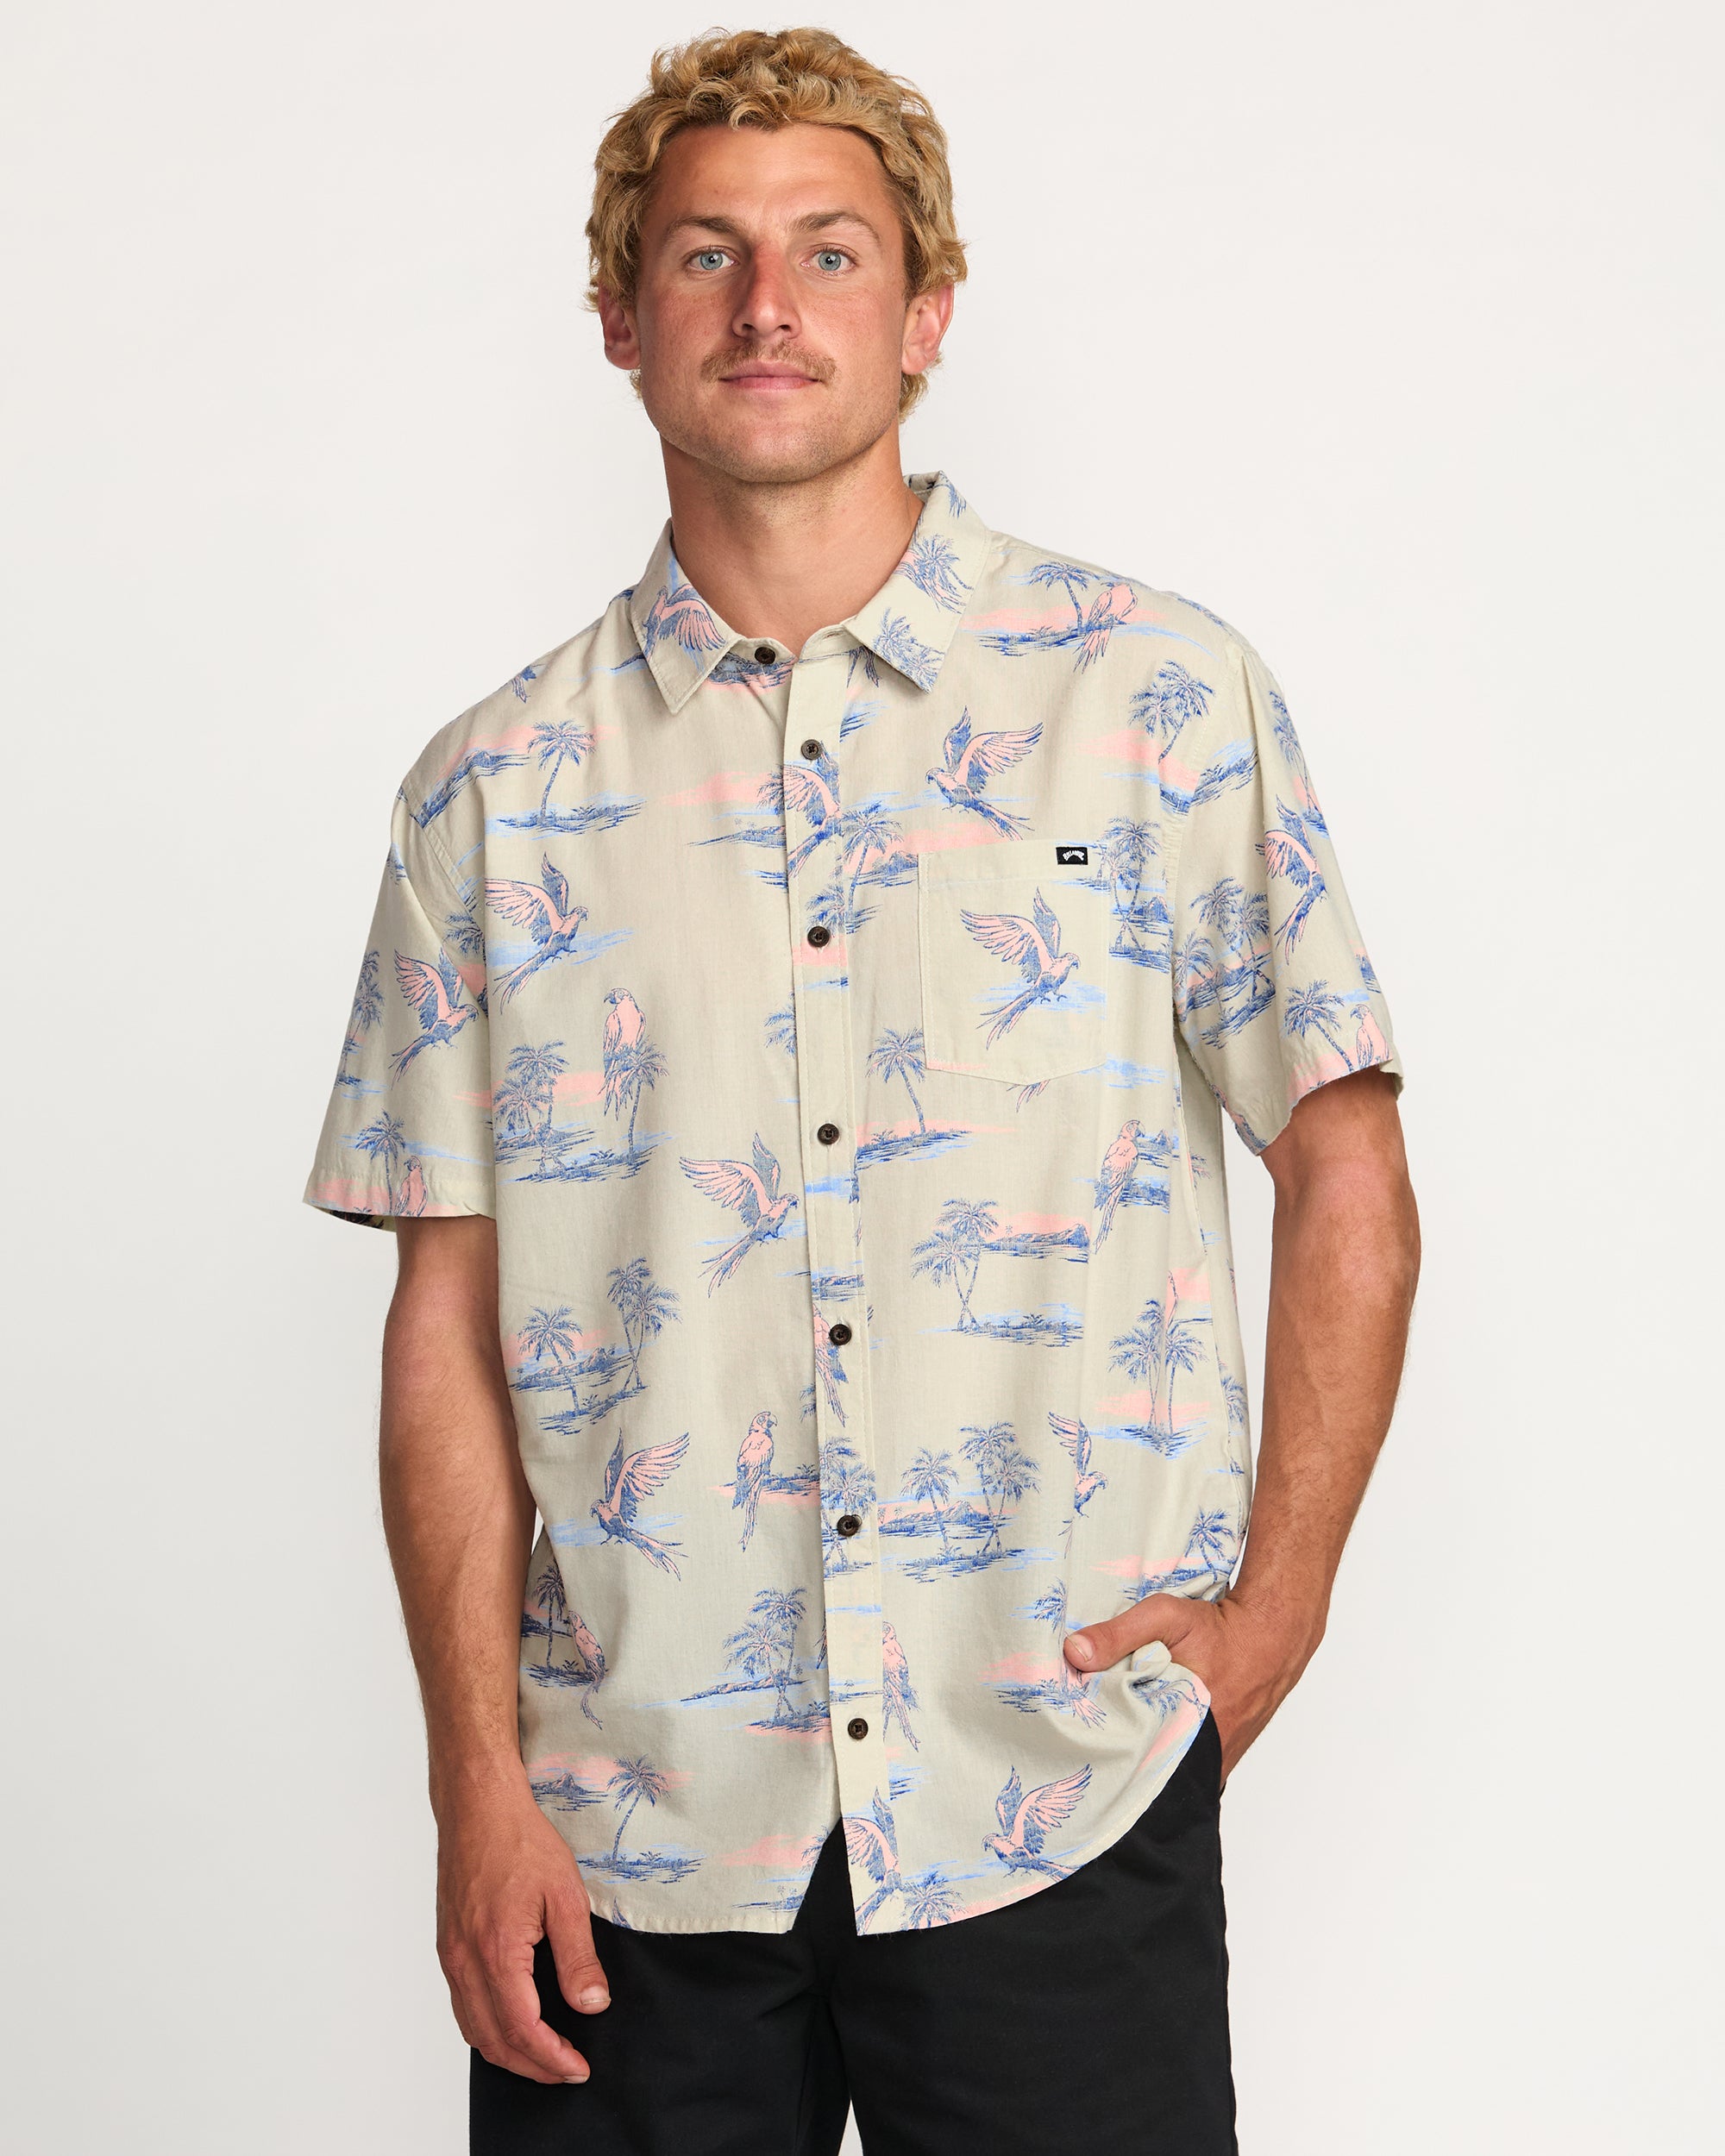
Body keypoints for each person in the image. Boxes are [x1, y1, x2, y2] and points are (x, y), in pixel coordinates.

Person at [304, 25, 1421, 2154]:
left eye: (828, 249)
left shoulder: (1156, 699)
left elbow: (1344, 1160)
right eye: (703, 253)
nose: (765, 302)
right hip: (628, 1836)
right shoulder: (491, 792)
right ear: (619, 318)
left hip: (1048, 1787)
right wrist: (474, 1783)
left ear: (923, 313)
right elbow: (442, 1314)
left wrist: (1270, 1614)